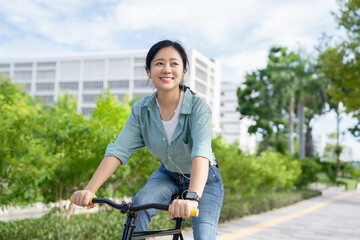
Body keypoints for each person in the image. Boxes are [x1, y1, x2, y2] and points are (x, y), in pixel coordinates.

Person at [72, 40, 224, 240]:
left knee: (204, 236)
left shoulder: (198, 108)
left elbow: (201, 153)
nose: (167, 69)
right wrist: (90, 189)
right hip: (168, 175)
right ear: (148, 70)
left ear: (184, 70)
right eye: (159, 63)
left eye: (174, 63)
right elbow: (119, 150)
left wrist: (192, 198)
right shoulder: (141, 110)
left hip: (206, 181)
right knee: (137, 208)